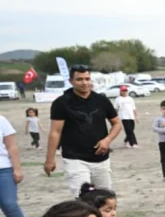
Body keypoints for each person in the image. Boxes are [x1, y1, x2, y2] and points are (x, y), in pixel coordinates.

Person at [44, 65, 122, 196]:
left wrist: (107, 140)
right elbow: (55, 132)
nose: (85, 83)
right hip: (75, 158)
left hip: (101, 158)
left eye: (87, 79)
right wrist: (49, 159)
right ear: (71, 81)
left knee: (104, 199)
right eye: (79, 79)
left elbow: (117, 123)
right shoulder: (61, 103)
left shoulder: (101, 100)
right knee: (84, 200)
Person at [0, 113, 26, 217]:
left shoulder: (1, 120)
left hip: (3, 168)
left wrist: (17, 168)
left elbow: (11, 146)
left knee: (9, 204)